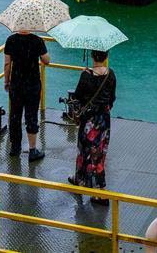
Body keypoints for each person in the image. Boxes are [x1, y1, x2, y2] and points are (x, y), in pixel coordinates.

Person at [68, 50, 117, 205]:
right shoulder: (111, 74)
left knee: (84, 151)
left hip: (89, 120)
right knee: (99, 154)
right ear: (106, 56)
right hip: (104, 119)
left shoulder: (86, 75)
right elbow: (112, 98)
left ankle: (88, 185)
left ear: (91, 56)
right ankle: (99, 188)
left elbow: (77, 96)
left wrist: (85, 75)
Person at [4, 29, 50, 162]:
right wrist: (42, 49)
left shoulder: (11, 40)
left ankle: (15, 148)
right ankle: (32, 150)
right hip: (32, 84)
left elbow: (7, 64)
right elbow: (46, 60)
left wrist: (6, 81)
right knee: (31, 115)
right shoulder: (37, 40)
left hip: (16, 83)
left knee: (15, 115)